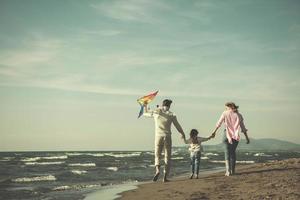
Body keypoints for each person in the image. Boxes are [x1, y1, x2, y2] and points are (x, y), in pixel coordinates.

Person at [143, 99, 186, 182]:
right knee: (167, 156)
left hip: (158, 136)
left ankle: (157, 170)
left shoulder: (156, 113)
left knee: (157, 155)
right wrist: (182, 133)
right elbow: (177, 125)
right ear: (169, 106)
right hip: (167, 136)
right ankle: (165, 177)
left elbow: (145, 114)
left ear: (162, 104)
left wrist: (145, 106)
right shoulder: (172, 114)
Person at [211, 102, 250, 176]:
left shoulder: (225, 113)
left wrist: (214, 132)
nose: (225, 109)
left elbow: (218, 123)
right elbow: (243, 128)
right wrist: (247, 138)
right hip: (235, 136)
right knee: (232, 153)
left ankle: (228, 171)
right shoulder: (239, 115)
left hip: (226, 134)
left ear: (229, 107)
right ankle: (233, 171)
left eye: (226, 107)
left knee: (227, 152)